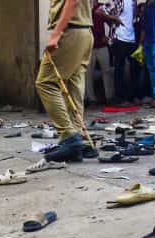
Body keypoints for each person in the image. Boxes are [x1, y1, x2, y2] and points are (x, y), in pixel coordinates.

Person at [36, 0, 94, 158]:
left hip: (71, 32)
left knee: (46, 83)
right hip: (84, 31)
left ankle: (69, 136)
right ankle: (77, 138)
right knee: (74, 86)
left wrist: (56, 33)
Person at [106, 0, 139, 105]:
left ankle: (132, 96)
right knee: (119, 67)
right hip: (119, 37)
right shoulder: (117, 1)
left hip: (131, 37)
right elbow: (100, 11)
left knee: (135, 66)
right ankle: (120, 98)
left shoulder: (133, 2)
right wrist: (114, 19)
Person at [87, 2, 115, 105]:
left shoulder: (101, 7)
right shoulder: (84, 7)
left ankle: (109, 97)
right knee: (88, 74)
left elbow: (111, 23)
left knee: (106, 71)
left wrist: (109, 37)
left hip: (101, 45)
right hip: (89, 46)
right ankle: (91, 99)